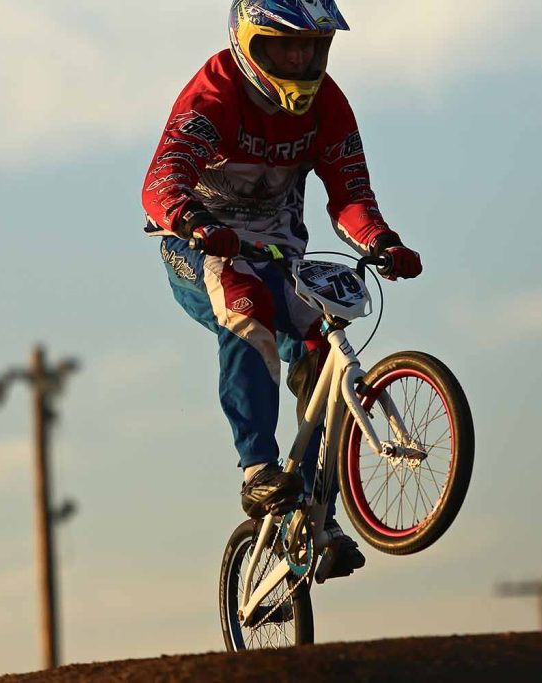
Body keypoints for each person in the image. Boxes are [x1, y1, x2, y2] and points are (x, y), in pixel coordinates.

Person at [140, 0, 422, 579]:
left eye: (311, 47)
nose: (299, 59)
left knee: (329, 345)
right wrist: (193, 221)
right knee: (249, 308)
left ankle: (319, 514)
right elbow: (160, 180)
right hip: (200, 247)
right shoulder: (214, 93)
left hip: (279, 250)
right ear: (250, 43)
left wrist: (381, 241)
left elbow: (350, 195)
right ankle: (258, 469)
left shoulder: (329, 105)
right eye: (284, 46)